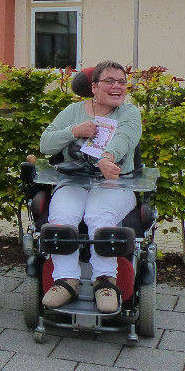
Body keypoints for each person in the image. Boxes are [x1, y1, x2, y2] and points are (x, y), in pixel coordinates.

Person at [39, 60, 142, 313]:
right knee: (62, 216)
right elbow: (46, 145)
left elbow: (125, 138)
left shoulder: (129, 113)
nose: (117, 86)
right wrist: (74, 131)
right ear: (94, 86)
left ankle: (105, 281)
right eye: (109, 81)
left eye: (121, 82)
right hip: (74, 181)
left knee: (99, 215)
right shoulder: (73, 112)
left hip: (115, 183)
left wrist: (107, 158)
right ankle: (66, 279)